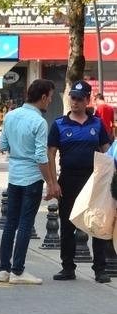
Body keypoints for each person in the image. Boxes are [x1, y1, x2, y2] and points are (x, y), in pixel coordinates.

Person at [47, 80, 112, 284]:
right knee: (67, 225)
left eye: (79, 99)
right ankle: (68, 267)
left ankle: (100, 269)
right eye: (72, 98)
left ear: (87, 100)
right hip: (68, 179)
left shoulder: (97, 123)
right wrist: (52, 183)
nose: (75, 102)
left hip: (93, 180)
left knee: (97, 223)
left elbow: (107, 150)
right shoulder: (59, 124)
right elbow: (50, 154)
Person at [0, 79, 58, 285]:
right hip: (31, 177)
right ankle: (18, 270)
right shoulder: (39, 122)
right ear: (42, 98)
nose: (50, 102)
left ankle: (4, 269)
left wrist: (18, 150)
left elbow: (2, 145)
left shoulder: (11, 116)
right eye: (49, 98)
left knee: (10, 222)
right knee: (25, 223)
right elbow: (41, 156)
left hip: (14, 175)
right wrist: (50, 181)